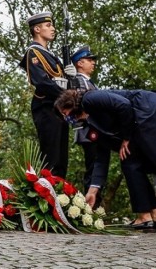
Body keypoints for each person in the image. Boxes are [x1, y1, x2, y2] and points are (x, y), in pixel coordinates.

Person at [55, 89, 156, 231]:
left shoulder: (90, 99)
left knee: (129, 162)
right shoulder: (91, 122)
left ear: (70, 103)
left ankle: (144, 216)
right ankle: (155, 216)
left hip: (151, 111)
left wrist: (126, 138)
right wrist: (93, 191)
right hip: (140, 123)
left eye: (64, 112)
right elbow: (101, 156)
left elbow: (124, 105)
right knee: (131, 162)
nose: (65, 117)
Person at [18, 12, 76, 178]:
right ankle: (49, 195)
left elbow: (59, 79)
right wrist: (68, 96)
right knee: (51, 158)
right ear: (37, 29)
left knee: (61, 158)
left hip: (58, 107)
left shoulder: (50, 55)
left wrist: (71, 75)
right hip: (47, 107)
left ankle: (60, 194)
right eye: (48, 26)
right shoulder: (33, 53)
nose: (53, 29)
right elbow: (42, 82)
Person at [69, 45, 102, 207]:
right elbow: (80, 105)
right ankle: (92, 208)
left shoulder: (89, 82)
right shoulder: (77, 81)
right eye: (89, 60)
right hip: (89, 130)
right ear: (80, 63)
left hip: (94, 129)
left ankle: (96, 206)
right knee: (93, 168)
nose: (93, 63)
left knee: (96, 167)